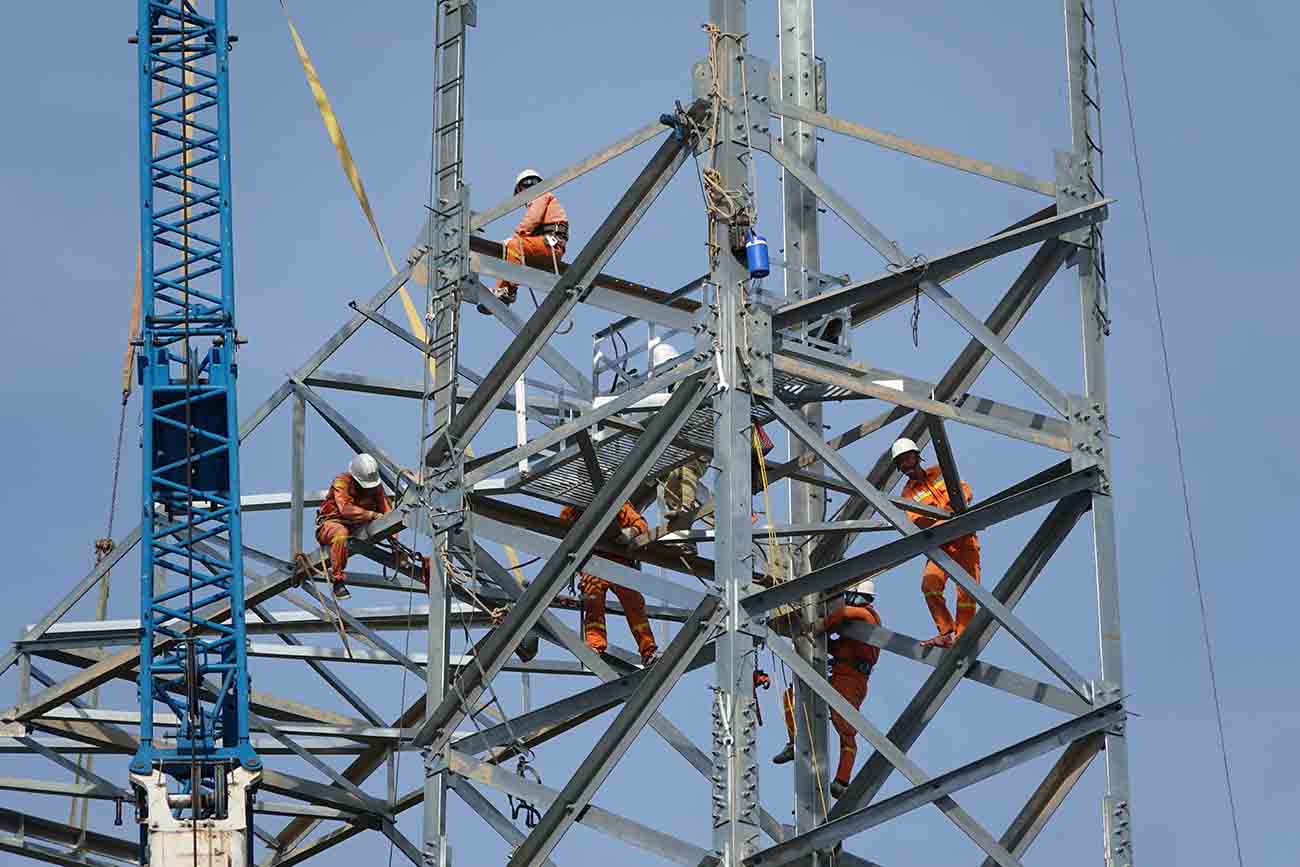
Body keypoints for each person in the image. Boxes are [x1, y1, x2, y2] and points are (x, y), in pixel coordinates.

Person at [772, 579, 881, 799]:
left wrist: (821, 625)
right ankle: (794, 742)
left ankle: (842, 780)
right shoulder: (854, 627)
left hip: (852, 680)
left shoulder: (867, 616)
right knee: (792, 696)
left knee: (845, 726)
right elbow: (838, 647)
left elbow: (844, 614)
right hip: (840, 674)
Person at [891, 437, 979, 649]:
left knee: (967, 590)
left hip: (964, 537)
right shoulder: (907, 494)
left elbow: (965, 491)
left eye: (907, 459)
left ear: (917, 457)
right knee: (930, 585)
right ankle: (946, 632)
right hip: (941, 543)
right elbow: (917, 521)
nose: (906, 465)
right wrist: (945, 519)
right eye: (901, 463)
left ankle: (963, 636)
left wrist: (956, 508)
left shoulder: (939, 471)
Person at [558, 501, 658, 665]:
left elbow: (640, 524)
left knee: (633, 603)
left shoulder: (618, 502)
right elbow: (563, 527)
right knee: (593, 602)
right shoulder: (574, 506)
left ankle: (648, 650)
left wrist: (630, 532)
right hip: (593, 563)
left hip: (617, 563)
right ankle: (595, 645)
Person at [481, 168, 568, 313]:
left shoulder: (542, 195)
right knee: (509, 248)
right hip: (546, 248)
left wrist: (516, 237)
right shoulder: (543, 199)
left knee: (512, 245)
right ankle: (503, 291)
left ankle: (508, 291)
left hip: (550, 247)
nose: (529, 187)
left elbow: (531, 220)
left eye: (530, 183)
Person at [315, 454, 391, 600]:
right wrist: (372, 515)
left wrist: (396, 546)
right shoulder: (342, 482)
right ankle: (338, 580)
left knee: (373, 525)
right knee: (340, 533)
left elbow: (388, 515)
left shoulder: (376, 487)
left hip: (357, 526)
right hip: (331, 525)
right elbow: (345, 509)